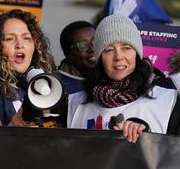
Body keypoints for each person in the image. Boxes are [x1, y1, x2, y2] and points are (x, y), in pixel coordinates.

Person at [68, 14, 180, 142]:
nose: (118, 57)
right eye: (109, 50)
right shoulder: (75, 102)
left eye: (126, 48)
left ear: (137, 54)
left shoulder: (168, 100)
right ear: (99, 58)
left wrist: (145, 135)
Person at [57, 21, 96, 94]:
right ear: (67, 53)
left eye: (96, 41)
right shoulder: (57, 86)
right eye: (83, 45)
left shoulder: (114, 78)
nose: (92, 49)